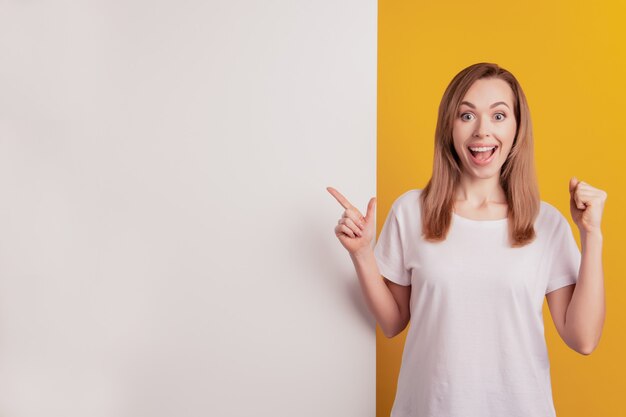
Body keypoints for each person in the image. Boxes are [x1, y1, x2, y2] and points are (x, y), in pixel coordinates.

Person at [327, 62, 607, 417]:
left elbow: (583, 339)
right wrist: (363, 254)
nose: (482, 131)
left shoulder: (546, 223)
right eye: (466, 115)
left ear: (518, 128)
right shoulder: (412, 211)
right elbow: (393, 321)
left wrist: (591, 234)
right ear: (450, 126)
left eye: (499, 116)